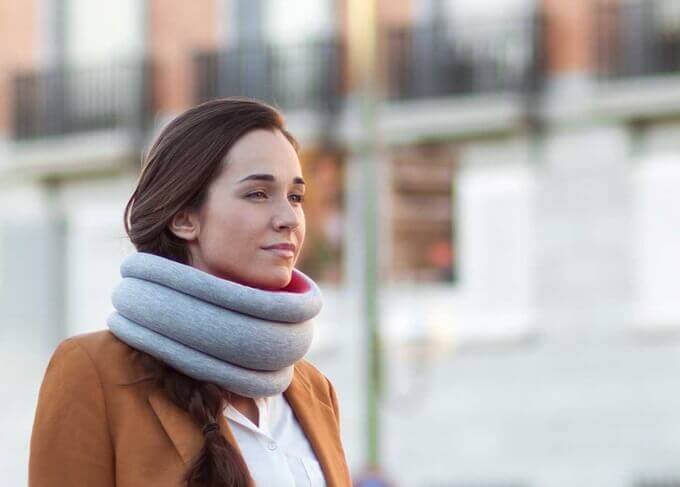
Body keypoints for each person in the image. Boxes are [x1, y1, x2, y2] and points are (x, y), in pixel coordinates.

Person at [28, 97, 352, 487]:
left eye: (295, 197)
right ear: (184, 218)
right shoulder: (94, 372)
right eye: (258, 194)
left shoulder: (313, 389)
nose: (287, 219)